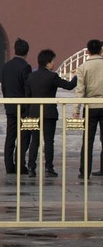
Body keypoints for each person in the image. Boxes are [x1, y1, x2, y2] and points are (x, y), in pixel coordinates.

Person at [24, 49, 76, 178]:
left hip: (34, 112)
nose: (54, 63)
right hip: (49, 113)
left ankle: (31, 167)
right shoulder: (52, 76)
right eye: (53, 61)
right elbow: (69, 86)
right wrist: (76, 77)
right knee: (48, 141)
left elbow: (27, 96)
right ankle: (49, 168)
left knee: (34, 141)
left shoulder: (31, 76)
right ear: (47, 63)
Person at [73, 39, 103, 179]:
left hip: (90, 106)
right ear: (100, 50)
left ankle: (84, 171)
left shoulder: (83, 67)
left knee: (88, 140)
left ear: (88, 51)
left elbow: (80, 90)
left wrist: (76, 110)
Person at [1, 38, 31, 174]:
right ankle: (20, 165)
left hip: (10, 105)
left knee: (10, 136)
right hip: (23, 107)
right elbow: (27, 88)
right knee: (23, 137)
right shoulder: (25, 67)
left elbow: (4, 87)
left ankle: (9, 166)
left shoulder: (6, 66)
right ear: (26, 52)